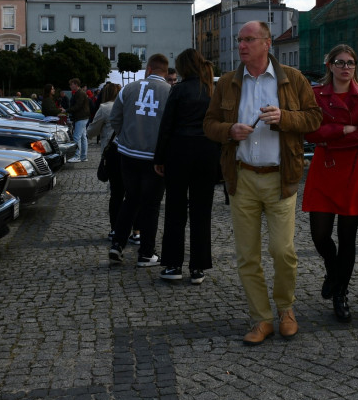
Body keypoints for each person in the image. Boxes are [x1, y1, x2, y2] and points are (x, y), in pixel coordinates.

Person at [203, 20, 322, 345]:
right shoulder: (227, 82)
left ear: (267, 43)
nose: (242, 45)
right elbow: (209, 124)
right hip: (241, 178)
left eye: (249, 39)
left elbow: (314, 118)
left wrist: (285, 118)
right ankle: (261, 318)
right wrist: (229, 131)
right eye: (240, 40)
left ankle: (286, 310)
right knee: (247, 256)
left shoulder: (292, 79)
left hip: (280, 178)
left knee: (282, 251)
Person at [302, 44, 358, 322]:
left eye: (350, 63)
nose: (346, 67)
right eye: (340, 62)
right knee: (319, 235)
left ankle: (341, 292)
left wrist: (328, 137)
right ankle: (333, 271)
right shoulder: (316, 94)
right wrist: (342, 129)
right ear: (329, 65)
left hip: (354, 171)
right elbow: (309, 132)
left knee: (347, 238)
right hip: (324, 168)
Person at [154, 49, 221, 285]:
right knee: (201, 213)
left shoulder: (178, 90)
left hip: (179, 153)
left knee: (175, 210)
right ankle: (198, 267)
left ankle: (173, 265)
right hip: (206, 153)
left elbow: (166, 126)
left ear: (183, 67)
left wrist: (159, 158)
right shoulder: (211, 90)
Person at [108, 54, 172, 267]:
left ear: (148, 68)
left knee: (130, 199)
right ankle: (146, 253)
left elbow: (115, 119)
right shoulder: (170, 92)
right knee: (151, 205)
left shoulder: (128, 89)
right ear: (166, 71)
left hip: (128, 154)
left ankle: (117, 243)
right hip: (155, 157)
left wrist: (126, 135)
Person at [87, 82, 124, 240]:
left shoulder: (105, 108)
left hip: (111, 154)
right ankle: (136, 231)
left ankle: (116, 229)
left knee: (116, 194)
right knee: (132, 194)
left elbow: (91, 132)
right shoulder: (127, 107)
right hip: (129, 153)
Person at [68, 78, 90, 162]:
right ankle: (83, 156)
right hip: (83, 117)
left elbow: (78, 106)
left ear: (76, 84)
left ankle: (76, 156)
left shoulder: (79, 93)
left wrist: (67, 110)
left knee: (76, 137)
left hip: (81, 117)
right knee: (83, 137)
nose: (70, 86)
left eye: (71, 84)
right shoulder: (80, 93)